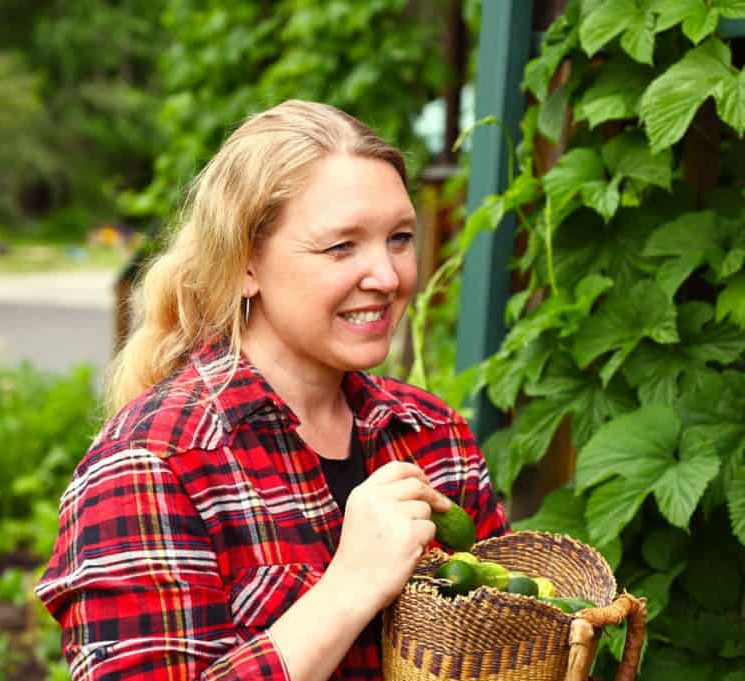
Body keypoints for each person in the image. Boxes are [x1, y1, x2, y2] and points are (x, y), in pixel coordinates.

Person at [36, 99, 510, 681]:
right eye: (341, 247)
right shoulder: (153, 464)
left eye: (399, 238)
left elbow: (506, 636)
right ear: (244, 266)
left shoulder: (434, 437)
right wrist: (350, 585)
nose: (387, 277)